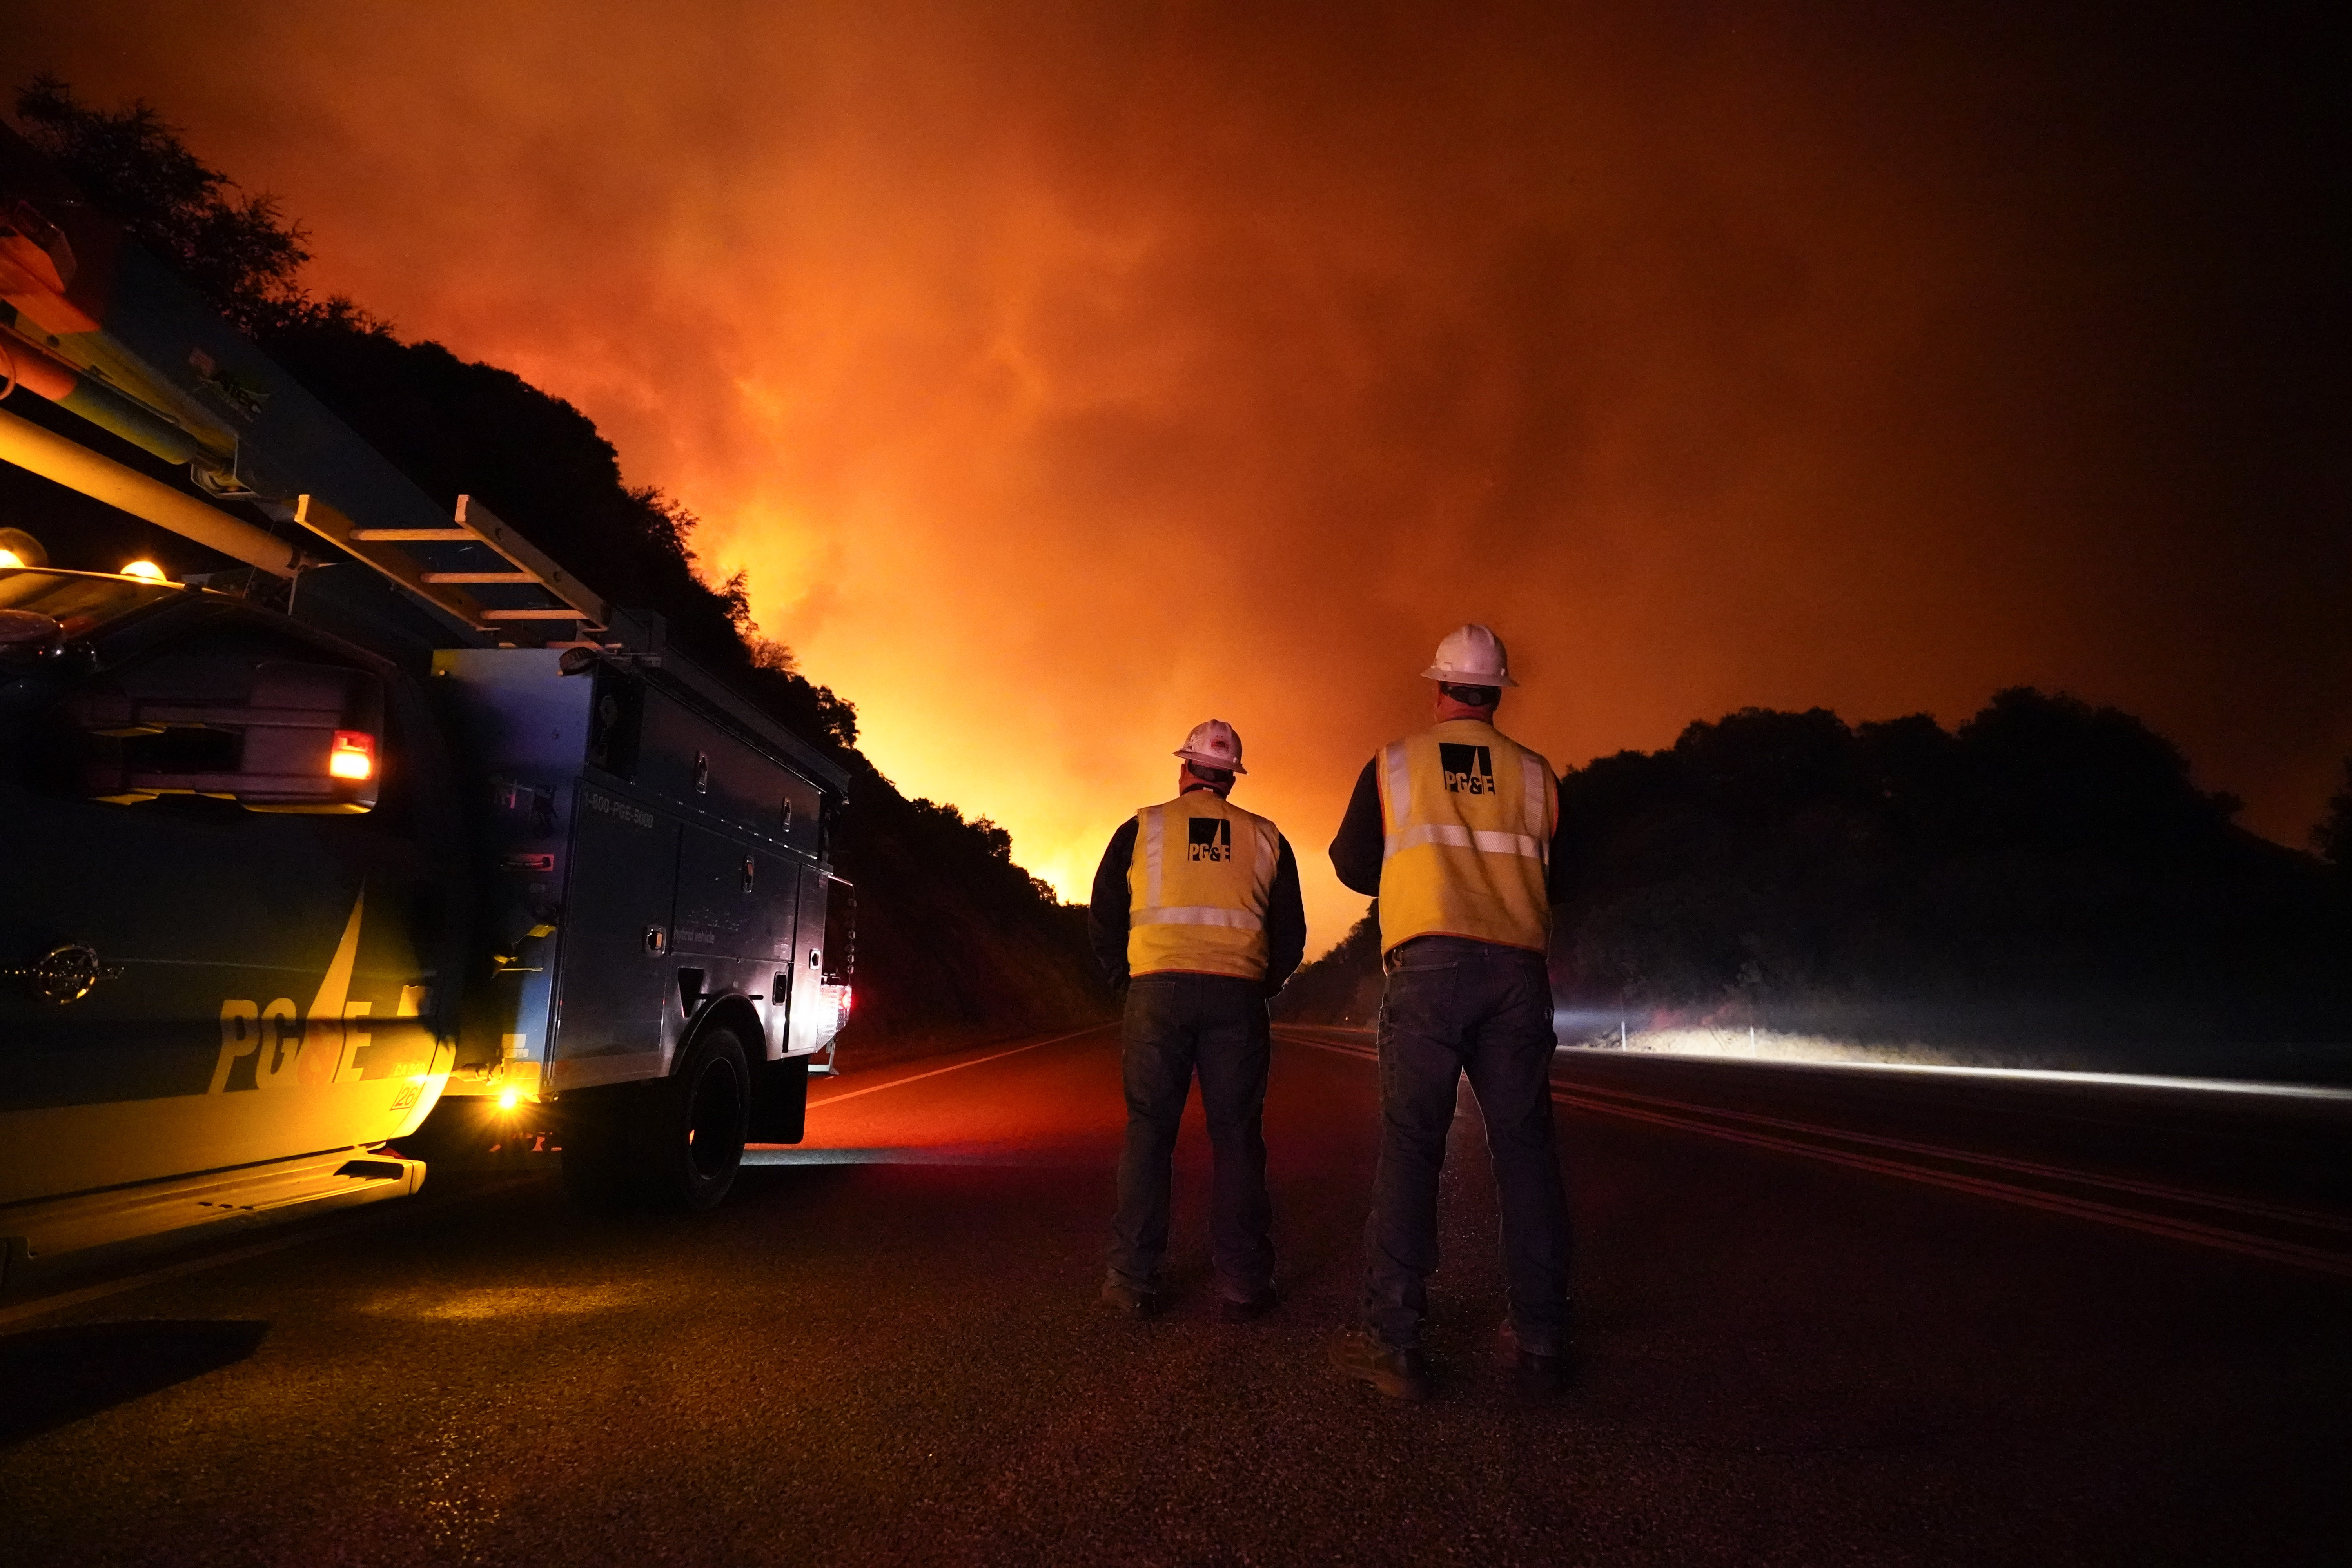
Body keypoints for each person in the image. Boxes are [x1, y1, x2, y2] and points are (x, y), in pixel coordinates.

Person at [1325, 625, 1574, 1401]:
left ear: (1438, 689)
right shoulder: (1537, 775)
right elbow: (1558, 864)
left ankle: (1394, 1342)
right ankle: (1542, 1333)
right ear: (1497, 692)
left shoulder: (1395, 764)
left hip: (1427, 967)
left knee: (1411, 1150)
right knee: (1525, 1151)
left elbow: (1352, 862)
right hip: (1515, 969)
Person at [1089, 719, 1307, 1322]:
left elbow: (1104, 912)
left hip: (1157, 993)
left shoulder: (1143, 827)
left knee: (1150, 1134)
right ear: (1231, 779)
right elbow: (1290, 932)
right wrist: (1261, 982)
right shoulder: (1267, 838)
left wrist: (1123, 978)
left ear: (1184, 769)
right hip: (1237, 996)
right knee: (1237, 1139)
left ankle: (1132, 1278)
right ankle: (1243, 1281)